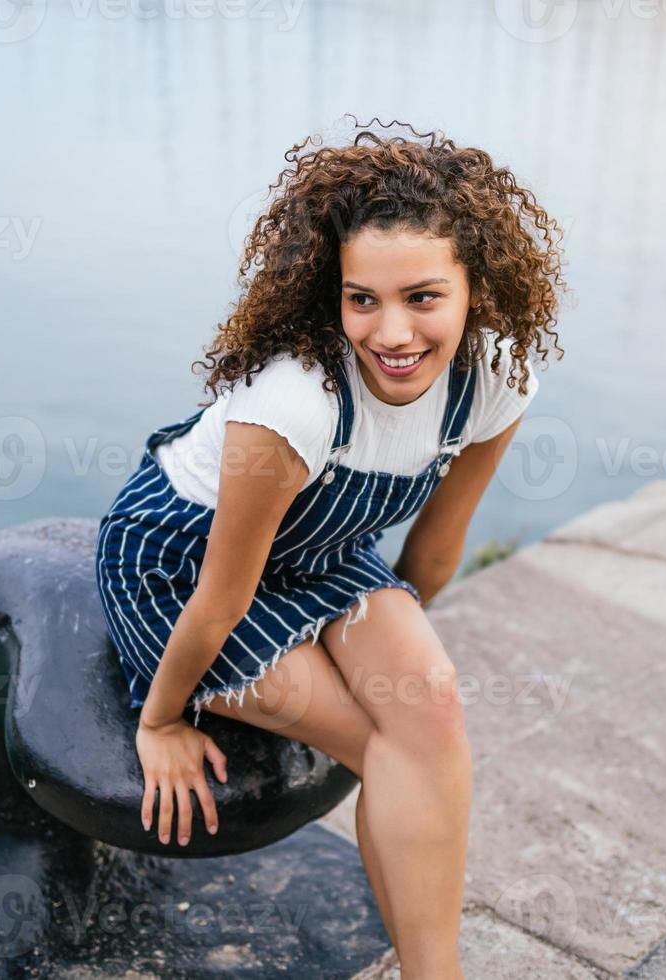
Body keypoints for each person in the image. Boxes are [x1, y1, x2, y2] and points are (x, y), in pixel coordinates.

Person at [94, 115, 567, 979]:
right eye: (363, 300)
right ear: (333, 293)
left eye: (423, 297)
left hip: (320, 554)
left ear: (475, 289)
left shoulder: (498, 381)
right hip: (182, 569)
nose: (392, 333)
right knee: (378, 739)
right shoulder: (294, 408)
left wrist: (406, 649)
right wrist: (159, 719)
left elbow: (434, 547)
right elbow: (222, 599)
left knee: (433, 710)